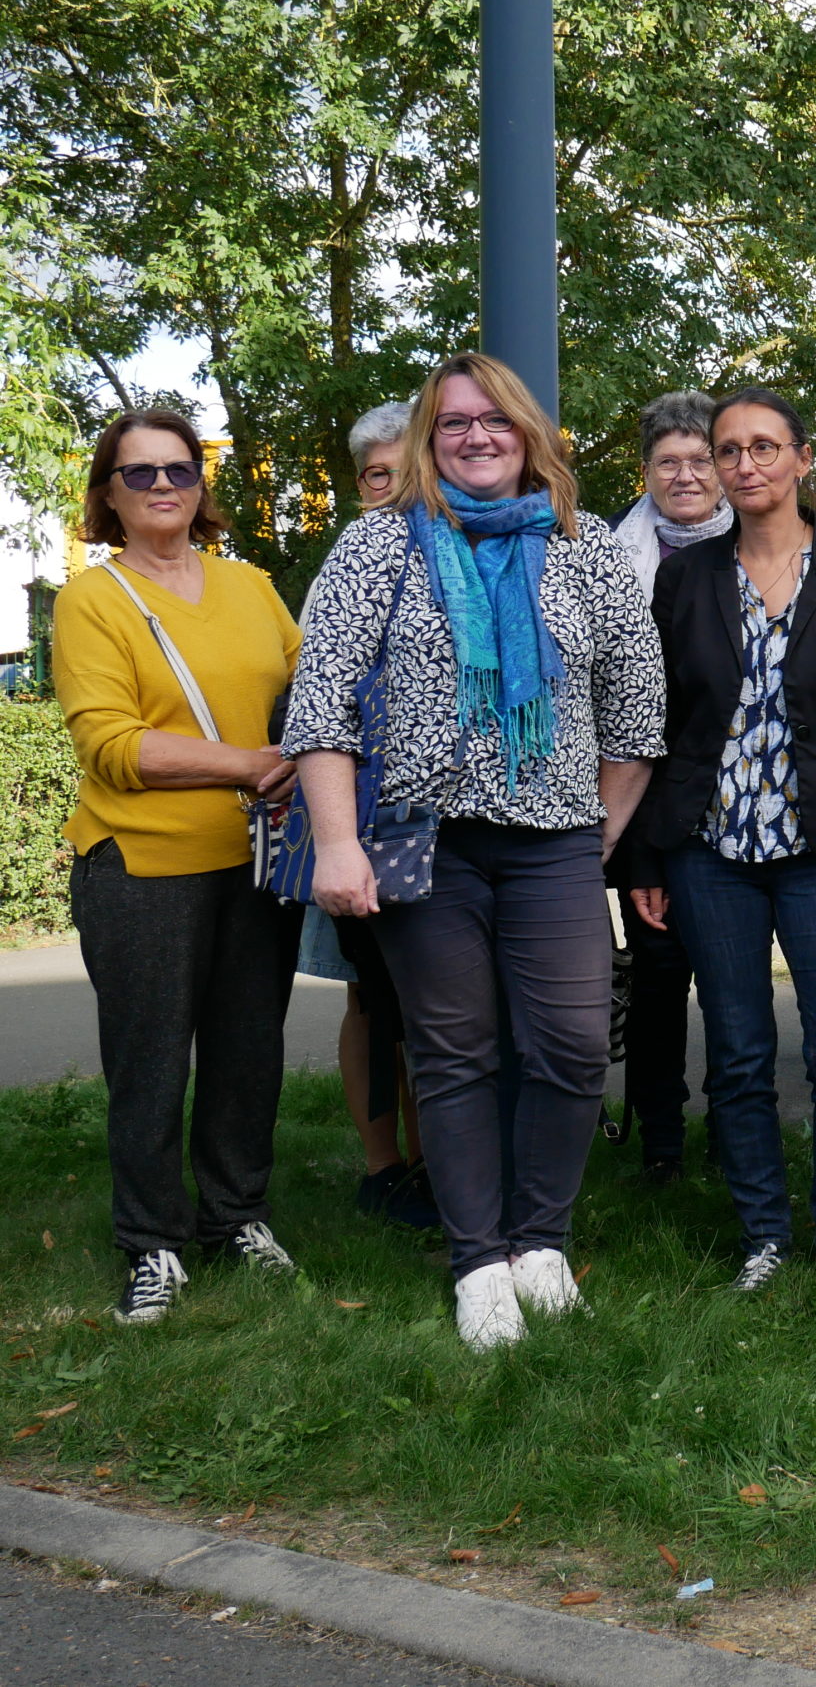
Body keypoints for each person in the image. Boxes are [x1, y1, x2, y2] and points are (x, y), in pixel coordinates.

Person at [288, 351, 665, 1352]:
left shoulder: (587, 555)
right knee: (455, 1053)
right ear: (427, 438)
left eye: (493, 420)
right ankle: (477, 1260)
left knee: (574, 1045)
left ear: (528, 434)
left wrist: (602, 831)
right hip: (426, 844)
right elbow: (319, 702)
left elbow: (638, 710)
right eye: (453, 423)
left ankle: (539, 1241)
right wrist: (335, 841)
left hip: (555, 847)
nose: (475, 437)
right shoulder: (379, 549)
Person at [626, 388, 816, 1296]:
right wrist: (643, 859)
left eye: (762, 448)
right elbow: (651, 725)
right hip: (708, 851)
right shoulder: (687, 577)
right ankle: (763, 1234)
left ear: (799, 457)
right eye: (727, 451)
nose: (743, 466)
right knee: (740, 1051)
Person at [54, 410, 306, 1323]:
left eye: (179, 469)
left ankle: (236, 1215)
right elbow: (111, 745)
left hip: (256, 859)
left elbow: (310, 688)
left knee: (249, 1049)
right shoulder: (93, 600)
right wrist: (249, 764)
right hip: (143, 866)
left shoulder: (250, 585)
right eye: (139, 474)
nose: (163, 486)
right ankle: (151, 1243)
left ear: (201, 486)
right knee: (151, 1061)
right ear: (107, 495)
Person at [306, 399, 434, 1230]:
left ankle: (436, 1162)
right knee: (369, 1000)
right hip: (361, 818)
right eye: (378, 476)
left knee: (434, 1004)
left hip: (441, 826)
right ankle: (383, 1164)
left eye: (406, 472)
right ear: (360, 487)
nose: (393, 489)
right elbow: (317, 701)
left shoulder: (454, 556)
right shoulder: (346, 566)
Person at [608, 390, 731, 1180]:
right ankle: (658, 1141)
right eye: (668, 462)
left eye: (700, 459)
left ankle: (733, 1131)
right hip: (649, 797)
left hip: (746, 794)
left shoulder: (771, 546)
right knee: (657, 976)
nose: (685, 476)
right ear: (646, 470)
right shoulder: (609, 557)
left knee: (733, 977)